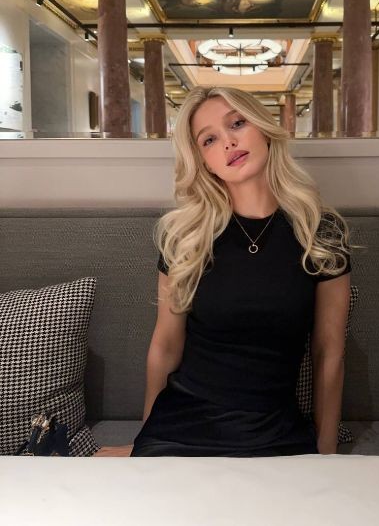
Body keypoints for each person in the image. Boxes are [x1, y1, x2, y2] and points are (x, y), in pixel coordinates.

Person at [94, 85, 353, 457]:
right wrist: (143, 443)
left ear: (264, 129)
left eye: (237, 123)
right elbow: (165, 346)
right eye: (210, 139)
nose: (229, 142)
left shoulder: (321, 231)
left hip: (274, 431)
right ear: (203, 162)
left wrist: (326, 451)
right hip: (181, 426)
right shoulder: (185, 237)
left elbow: (329, 351)